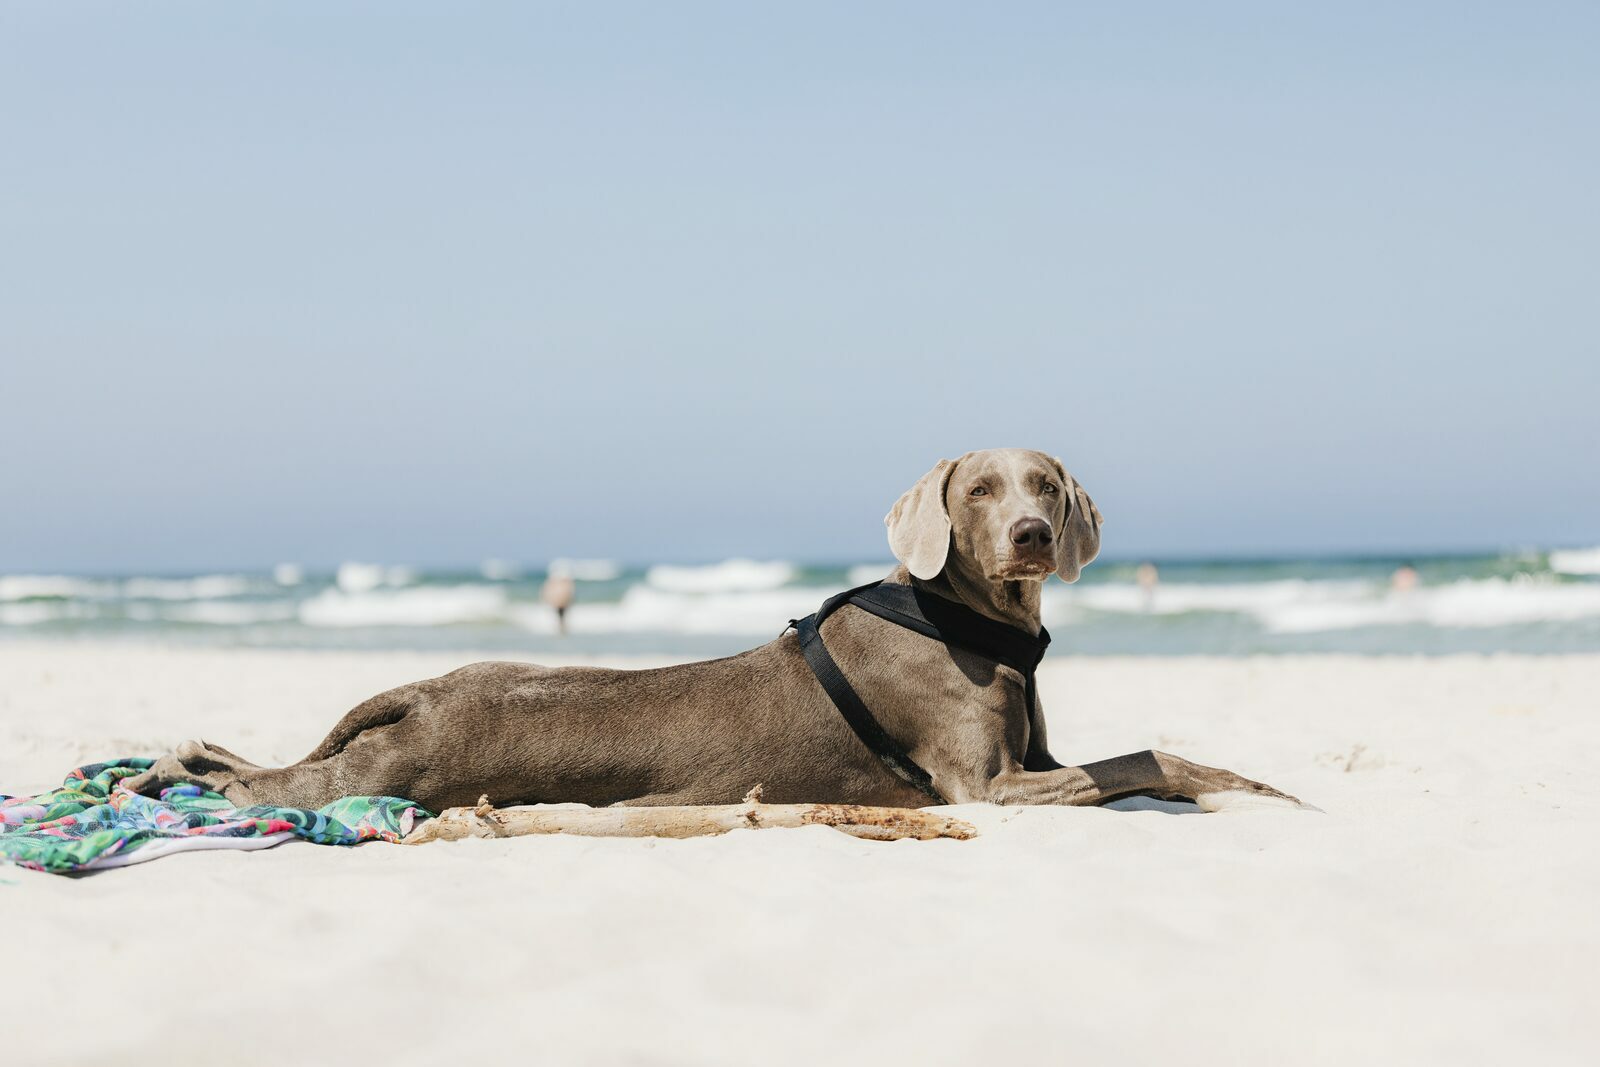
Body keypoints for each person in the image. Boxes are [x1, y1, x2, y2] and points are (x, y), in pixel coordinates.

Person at [540, 563, 576, 635]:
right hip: (559, 602)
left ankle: (562, 629)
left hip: (562, 602)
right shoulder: (559, 582)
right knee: (560, 616)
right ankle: (561, 629)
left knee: (562, 616)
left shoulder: (564, 582)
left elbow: (571, 592)